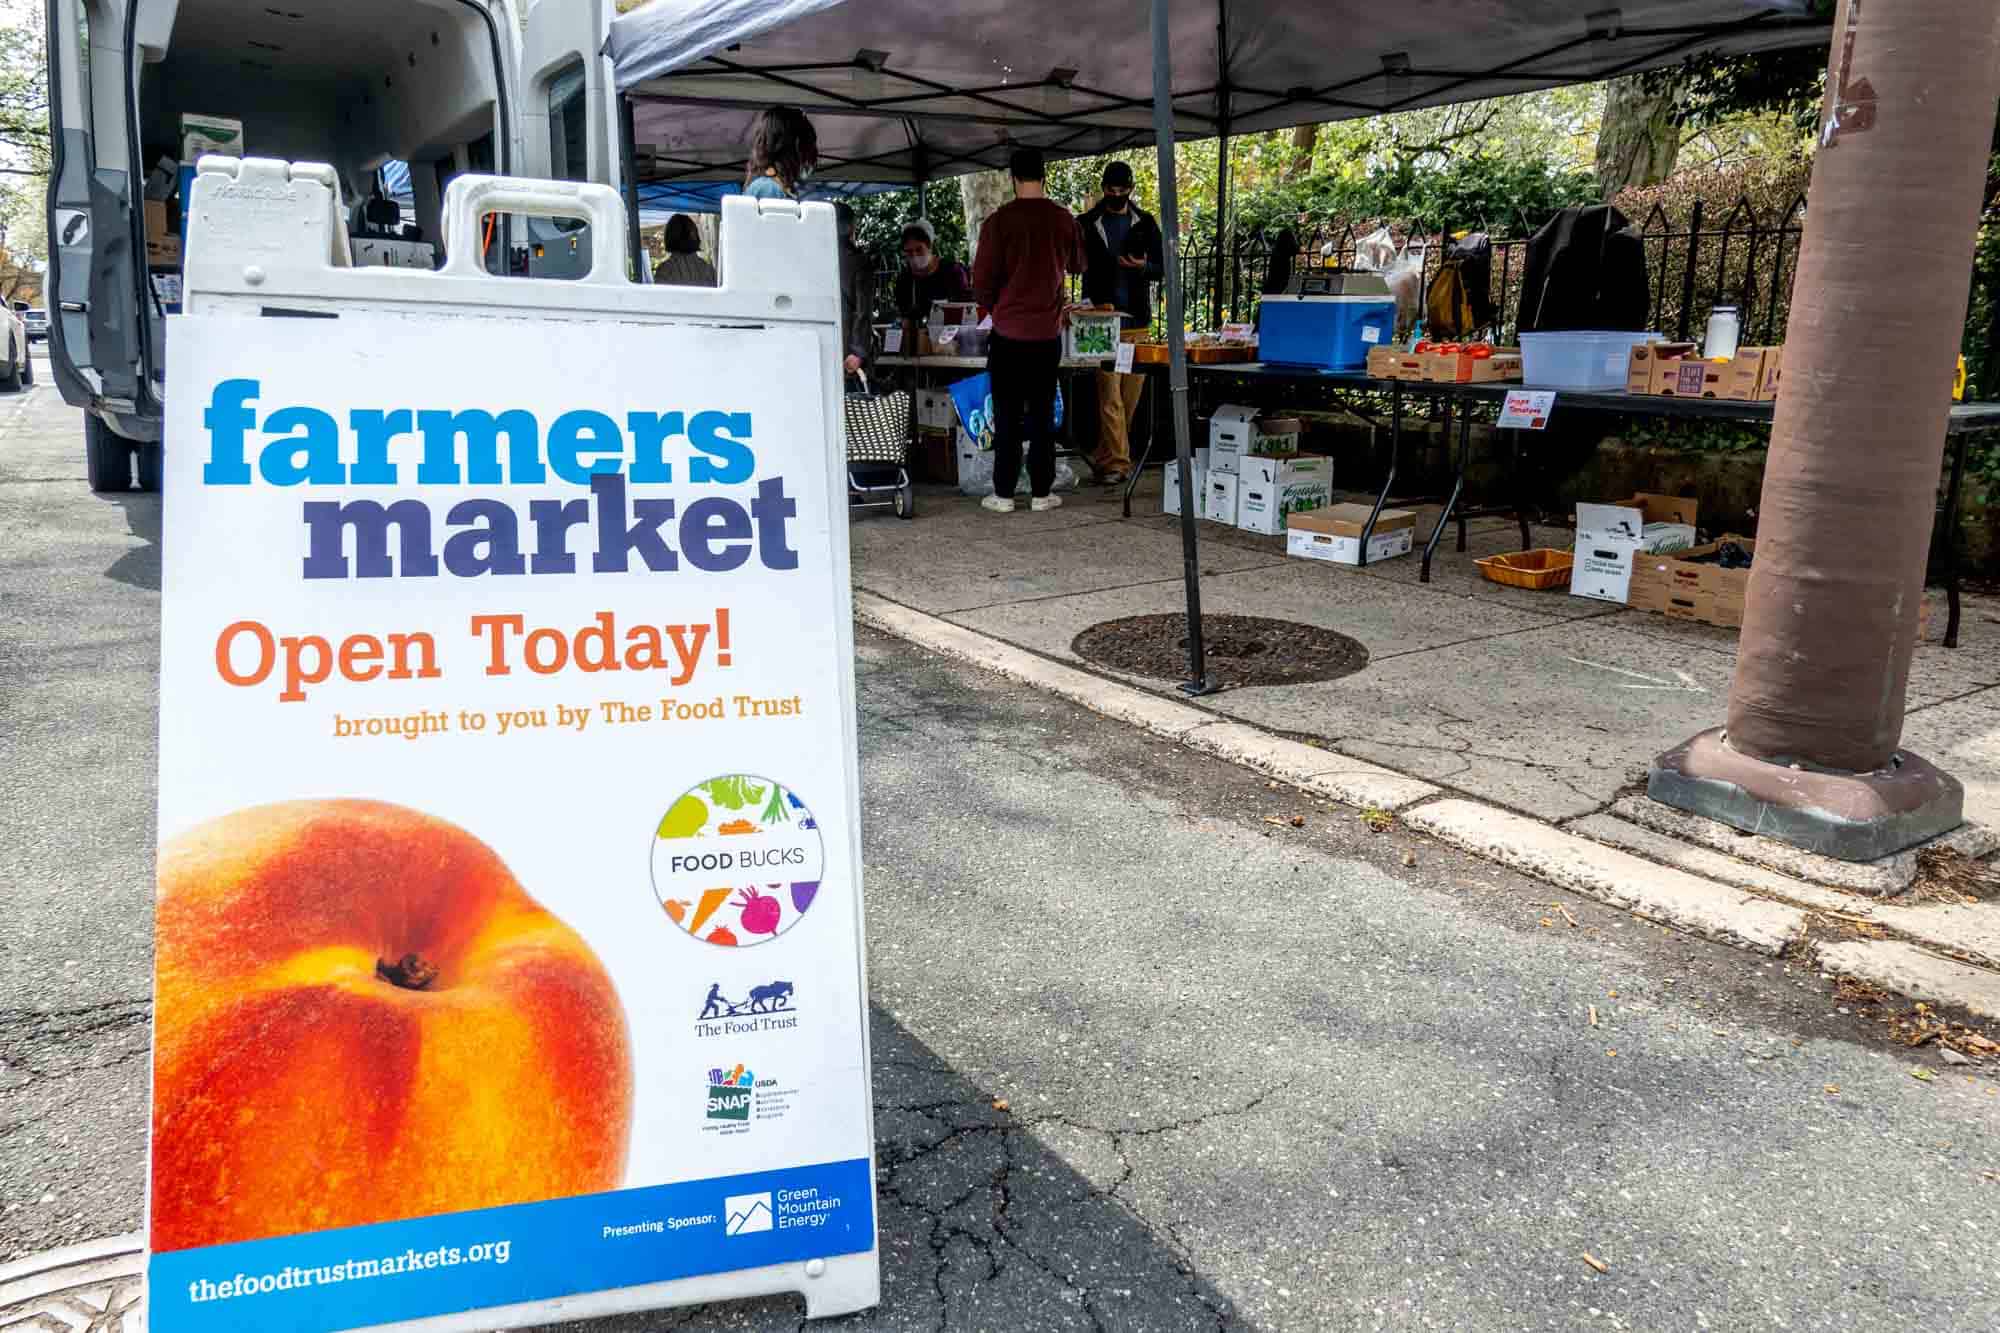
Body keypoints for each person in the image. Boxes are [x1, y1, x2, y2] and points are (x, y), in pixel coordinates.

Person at [971, 146, 1086, 514]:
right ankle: (1041, 493)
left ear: (1012, 178)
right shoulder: (1063, 219)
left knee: (1006, 414)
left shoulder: (998, 222)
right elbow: (1079, 263)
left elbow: (982, 282)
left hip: (1007, 335)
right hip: (1046, 335)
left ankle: (1003, 493)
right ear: (1044, 175)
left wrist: (997, 305)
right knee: (1041, 416)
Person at [1076, 161, 1164, 486]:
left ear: (1131, 188)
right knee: (1109, 395)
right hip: (1101, 321)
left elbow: (1162, 267)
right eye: (1110, 190)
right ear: (1103, 189)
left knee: (1128, 400)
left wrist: (1143, 267)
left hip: (1137, 320)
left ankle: (1105, 456)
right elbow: (1074, 262)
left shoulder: (1146, 223)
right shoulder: (1086, 223)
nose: (1115, 194)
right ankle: (1119, 465)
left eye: (1121, 190)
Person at [892, 220, 971, 323]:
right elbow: (903, 315)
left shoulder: (952, 272)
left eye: (919, 249)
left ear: (930, 247)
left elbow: (965, 308)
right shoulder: (904, 279)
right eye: (909, 252)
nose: (915, 255)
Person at [743, 106, 818, 201]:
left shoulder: (774, 187)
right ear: (795, 144)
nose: (810, 155)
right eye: (808, 146)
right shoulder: (769, 189)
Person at [834, 203, 874, 376]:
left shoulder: (810, 258)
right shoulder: (858, 261)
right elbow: (862, 309)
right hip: (848, 351)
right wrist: (859, 351)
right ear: (851, 227)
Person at [652, 214, 716, 287]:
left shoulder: (665, 270)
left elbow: (660, 297)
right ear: (695, 236)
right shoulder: (707, 269)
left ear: (669, 237)